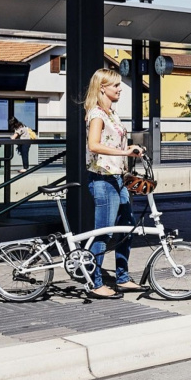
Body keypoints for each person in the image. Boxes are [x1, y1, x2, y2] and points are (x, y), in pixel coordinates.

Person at [84, 68, 145, 299]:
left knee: (126, 227)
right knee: (104, 232)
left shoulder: (112, 114)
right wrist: (125, 152)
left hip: (117, 178)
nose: (120, 89)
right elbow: (94, 145)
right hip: (102, 179)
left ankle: (122, 277)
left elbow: (118, 147)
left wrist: (131, 152)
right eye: (115, 86)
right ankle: (94, 282)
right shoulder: (97, 114)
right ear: (102, 88)